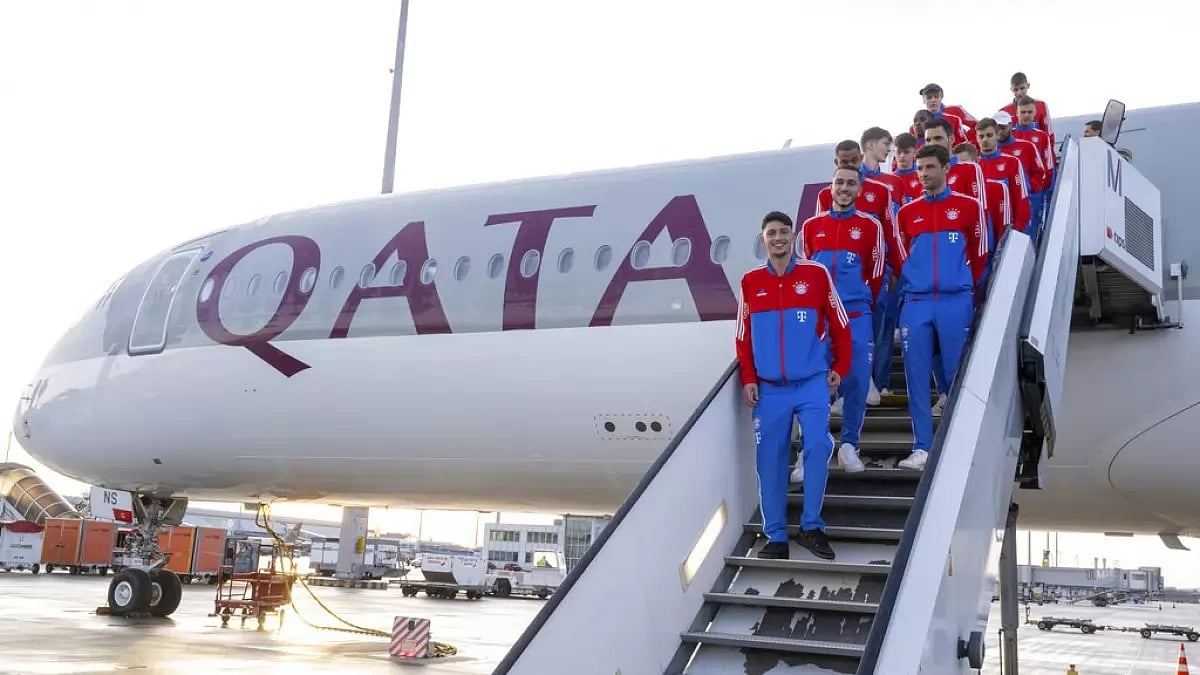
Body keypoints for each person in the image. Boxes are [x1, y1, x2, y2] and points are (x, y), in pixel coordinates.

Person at [736, 211, 851, 560]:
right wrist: (749, 378)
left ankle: (811, 527)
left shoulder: (816, 274)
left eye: (784, 232)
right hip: (770, 389)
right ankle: (776, 537)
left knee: (818, 445)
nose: (778, 238)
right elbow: (743, 336)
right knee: (769, 460)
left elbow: (840, 323)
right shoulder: (750, 281)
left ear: (794, 236)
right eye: (771, 233)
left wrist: (840, 366)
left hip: (812, 382)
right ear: (763, 239)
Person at [894, 145, 987, 471]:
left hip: (954, 301)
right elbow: (900, 256)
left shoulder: (968, 207)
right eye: (919, 168)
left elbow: (980, 255)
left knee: (955, 376)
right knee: (916, 379)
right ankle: (922, 448)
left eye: (930, 167)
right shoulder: (907, 213)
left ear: (946, 168)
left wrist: (962, 287)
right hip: (916, 303)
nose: (923, 174)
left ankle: (958, 446)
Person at [800, 168, 885, 474]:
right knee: (813, 382)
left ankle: (849, 446)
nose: (844, 188)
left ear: (859, 190)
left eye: (851, 183)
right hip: (821, 315)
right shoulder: (812, 226)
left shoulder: (869, 226)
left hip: (856, 313)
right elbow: (809, 265)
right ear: (831, 187)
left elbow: (876, 273)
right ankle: (809, 451)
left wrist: (857, 298)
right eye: (839, 183)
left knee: (858, 378)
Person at [814, 140, 903, 413]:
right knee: (836, 339)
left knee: (876, 330)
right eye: (844, 161)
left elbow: (891, 232)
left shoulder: (879, 191)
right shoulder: (825, 196)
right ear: (836, 163)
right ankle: (843, 390)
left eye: (854, 160)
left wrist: (896, 269)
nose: (850, 164)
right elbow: (816, 245)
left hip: (872, 273)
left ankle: (874, 381)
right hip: (837, 283)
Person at [994, 111, 1047, 242]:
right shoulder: (989, 151)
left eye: (1003, 127)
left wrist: (1030, 190)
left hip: (1027, 200)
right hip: (1002, 206)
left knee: (1027, 237)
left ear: (1011, 126)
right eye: (997, 128)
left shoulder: (1027, 146)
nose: (1000, 131)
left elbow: (1040, 172)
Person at [974, 117, 1031, 235]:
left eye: (989, 135)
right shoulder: (973, 166)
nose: (985, 140)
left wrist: (1018, 227)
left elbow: (1020, 197)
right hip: (981, 231)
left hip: (1006, 228)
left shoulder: (1012, 162)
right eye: (981, 136)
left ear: (998, 135)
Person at [1012, 96, 1056, 193]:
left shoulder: (1043, 137)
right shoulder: (1009, 136)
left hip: (1035, 192)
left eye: (1030, 112)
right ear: (1017, 113)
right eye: (1023, 112)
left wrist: (1040, 187)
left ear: (1035, 113)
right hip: (1014, 191)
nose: (1026, 115)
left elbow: (1048, 166)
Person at [1000, 72, 1055, 148]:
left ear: (1028, 85)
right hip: (1015, 153)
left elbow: (1048, 133)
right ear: (1011, 89)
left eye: (1022, 88)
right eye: (1015, 90)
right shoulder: (1004, 112)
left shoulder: (1041, 106)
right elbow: (1000, 138)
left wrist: (1049, 155)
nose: (1019, 93)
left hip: (1038, 151)